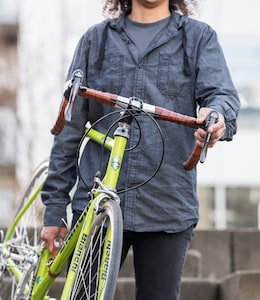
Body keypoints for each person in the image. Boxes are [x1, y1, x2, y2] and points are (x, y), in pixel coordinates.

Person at [40, 0, 240, 299]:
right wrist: (55, 208)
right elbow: (70, 129)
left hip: (167, 203)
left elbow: (220, 95)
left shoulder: (198, 37)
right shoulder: (95, 40)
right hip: (96, 200)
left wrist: (216, 116)